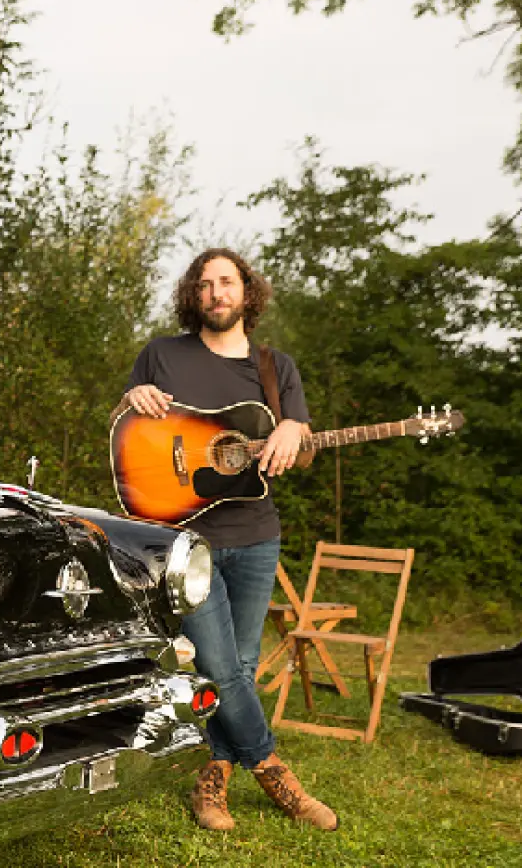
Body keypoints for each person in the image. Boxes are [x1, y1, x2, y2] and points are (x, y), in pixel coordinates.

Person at [122, 247, 338, 832]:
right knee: (220, 665)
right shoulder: (161, 355)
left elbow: (299, 434)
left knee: (236, 664)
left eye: (227, 282)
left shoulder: (275, 368)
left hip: (256, 534)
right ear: (194, 296)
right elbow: (128, 432)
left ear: (248, 292)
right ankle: (275, 774)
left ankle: (211, 779)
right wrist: (130, 398)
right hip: (184, 542)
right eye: (205, 284)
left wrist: (296, 426)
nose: (216, 293)